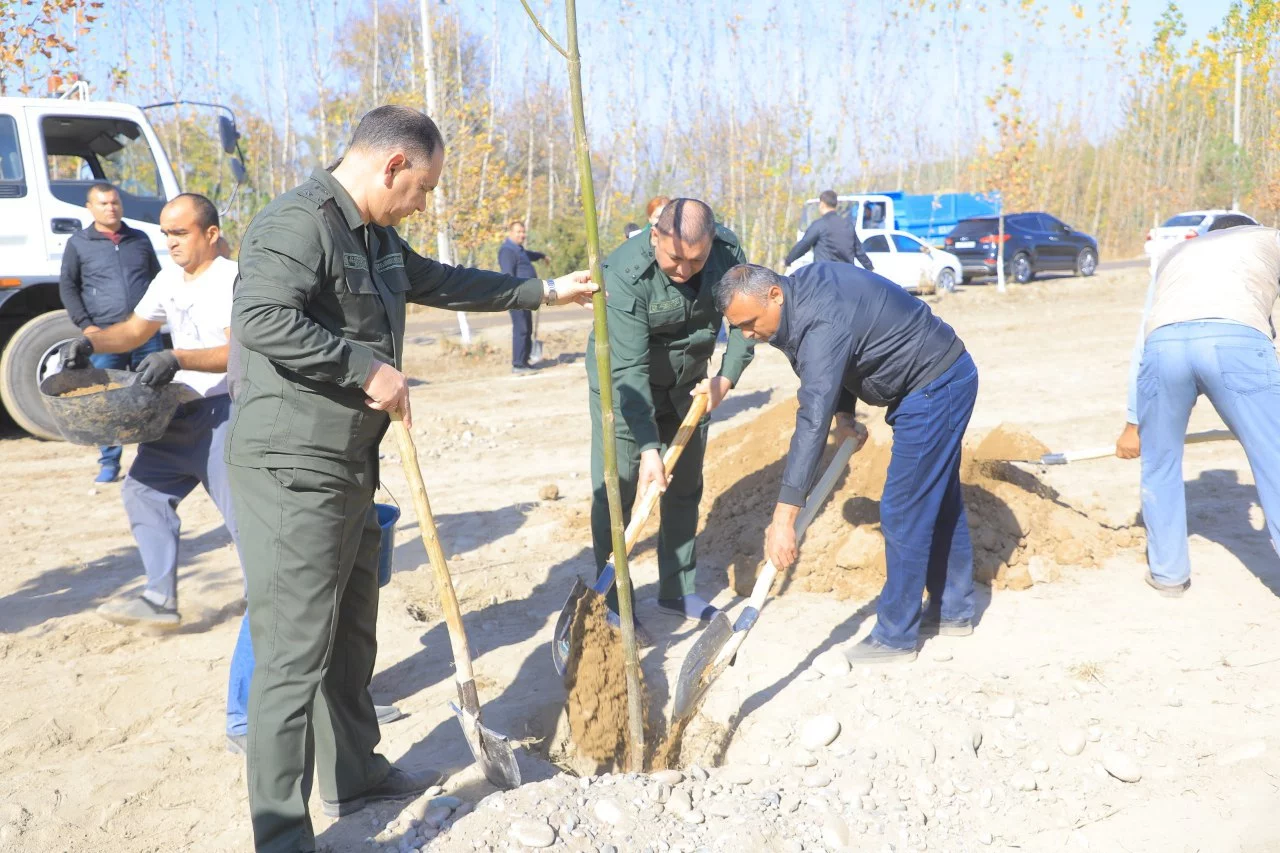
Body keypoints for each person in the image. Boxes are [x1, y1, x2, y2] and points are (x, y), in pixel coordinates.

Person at [228, 105, 596, 853]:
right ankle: (281, 833)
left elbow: (444, 280)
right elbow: (261, 316)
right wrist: (367, 367)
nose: (425, 202)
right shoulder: (297, 223)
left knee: (352, 633)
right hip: (293, 468)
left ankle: (355, 770)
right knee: (294, 656)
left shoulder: (378, 237)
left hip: (349, 464)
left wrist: (546, 293)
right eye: (423, 186)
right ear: (392, 166)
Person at [715, 261, 978, 663]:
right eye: (738, 328)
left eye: (750, 323)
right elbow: (835, 363)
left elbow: (812, 415)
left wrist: (784, 519)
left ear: (774, 295)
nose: (747, 335)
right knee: (938, 498)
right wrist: (845, 418)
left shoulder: (817, 319)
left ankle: (895, 637)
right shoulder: (800, 301)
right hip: (933, 378)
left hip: (934, 385)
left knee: (903, 508)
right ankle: (953, 609)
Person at [61, 193, 237, 628]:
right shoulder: (168, 280)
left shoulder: (234, 279)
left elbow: (241, 352)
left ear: (211, 234)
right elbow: (135, 331)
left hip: (228, 416)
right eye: (165, 234)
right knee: (143, 492)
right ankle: (159, 598)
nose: (171, 243)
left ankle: (270, 607)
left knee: (245, 519)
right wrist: (92, 341)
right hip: (177, 414)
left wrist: (179, 359)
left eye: (180, 233)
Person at [588, 198, 754, 627]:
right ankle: (611, 601)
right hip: (625, 390)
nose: (684, 270)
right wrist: (647, 447)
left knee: (684, 487)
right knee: (619, 490)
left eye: (695, 261)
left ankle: (678, 591)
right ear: (655, 236)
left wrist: (726, 378)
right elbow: (629, 368)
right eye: (675, 258)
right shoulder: (624, 273)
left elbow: (745, 318)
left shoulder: (727, 253)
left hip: (689, 386)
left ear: (711, 243)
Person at [1115, 219, 1280, 597]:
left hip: (1163, 348)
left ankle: (1168, 575)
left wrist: (1132, 421)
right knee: (1274, 460)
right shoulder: (1268, 238)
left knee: (1159, 464)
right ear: (1246, 227)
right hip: (1234, 342)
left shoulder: (1177, 255)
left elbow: (1143, 336)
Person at [59, 182, 164, 482]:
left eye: (115, 202)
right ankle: (109, 462)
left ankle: (157, 458)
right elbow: (68, 287)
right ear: (89, 208)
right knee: (106, 398)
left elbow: (157, 281)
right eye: (103, 203)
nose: (111, 208)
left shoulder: (139, 239)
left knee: (152, 394)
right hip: (104, 337)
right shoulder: (79, 243)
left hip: (145, 334)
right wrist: (87, 327)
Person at [498, 220, 548, 374]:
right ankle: (518, 364)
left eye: (523, 232)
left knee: (528, 328)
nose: (522, 235)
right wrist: (514, 296)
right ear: (510, 233)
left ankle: (525, 361)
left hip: (527, 296)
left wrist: (542, 256)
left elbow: (530, 255)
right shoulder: (507, 250)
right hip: (516, 297)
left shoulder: (519, 250)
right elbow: (508, 275)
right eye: (518, 232)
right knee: (521, 329)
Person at [784, 189, 874, 271]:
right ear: (835, 204)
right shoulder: (848, 225)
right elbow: (859, 252)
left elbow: (804, 245)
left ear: (822, 204)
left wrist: (788, 260)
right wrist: (870, 268)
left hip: (825, 276)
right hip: (846, 275)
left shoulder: (819, 225)